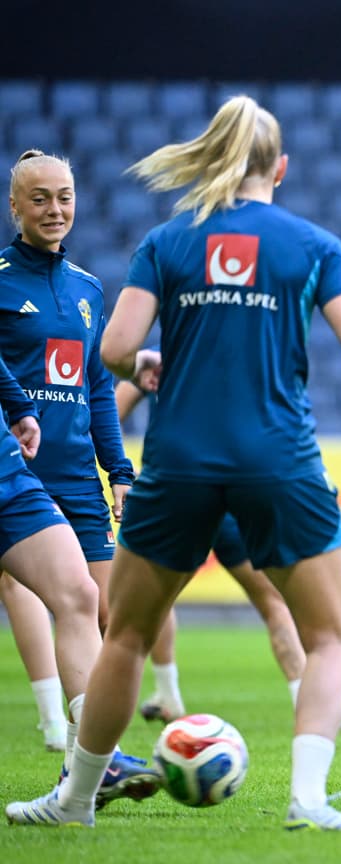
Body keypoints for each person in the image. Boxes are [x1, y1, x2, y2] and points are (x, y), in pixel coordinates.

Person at [5, 96, 341, 831]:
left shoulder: (167, 241)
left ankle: (74, 800)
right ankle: (307, 801)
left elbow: (112, 352)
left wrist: (150, 361)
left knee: (127, 636)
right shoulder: (314, 244)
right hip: (280, 459)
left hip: (178, 461)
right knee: (329, 636)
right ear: (282, 168)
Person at [0, 148, 159, 801]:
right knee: (72, 602)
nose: (55, 210)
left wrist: (117, 469)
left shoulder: (91, 290)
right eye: (40, 198)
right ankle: (91, 753)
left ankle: (85, 763)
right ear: (16, 206)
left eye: (64, 196)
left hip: (75, 477)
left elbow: (97, 388)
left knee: (97, 610)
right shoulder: (2, 280)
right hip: (17, 473)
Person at [114, 378, 307, 722]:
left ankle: (167, 694)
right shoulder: (250, 361)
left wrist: (128, 469)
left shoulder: (166, 358)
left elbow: (110, 411)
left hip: (178, 492)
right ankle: (306, 704)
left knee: (154, 599)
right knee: (273, 602)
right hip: (234, 495)